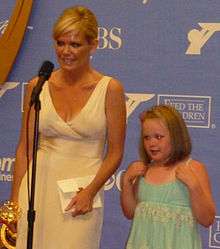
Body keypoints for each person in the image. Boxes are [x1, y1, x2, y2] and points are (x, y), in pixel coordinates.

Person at [10, 5, 126, 249]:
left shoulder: (110, 89)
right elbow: (24, 149)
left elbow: (115, 152)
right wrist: (14, 206)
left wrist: (91, 191)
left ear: (93, 45)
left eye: (74, 45)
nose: (66, 51)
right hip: (36, 192)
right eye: (60, 43)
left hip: (81, 197)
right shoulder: (37, 85)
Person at [121, 105, 216, 249]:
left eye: (159, 137)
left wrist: (194, 186)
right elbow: (130, 213)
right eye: (147, 137)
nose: (152, 143)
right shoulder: (144, 170)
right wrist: (127, 182)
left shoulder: (194, 168)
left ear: (176, 136)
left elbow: (207, 219)